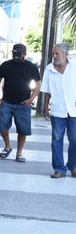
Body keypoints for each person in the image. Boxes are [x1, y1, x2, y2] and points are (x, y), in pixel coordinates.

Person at [0, 43, 41, 163]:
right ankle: (7, 146)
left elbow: (38, 84)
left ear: (25, 54)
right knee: (2, 126)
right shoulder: (6, 65)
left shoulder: (31, 67)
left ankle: (19, 153)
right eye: (14, 53)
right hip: (6, 102)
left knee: (22, 130)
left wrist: (31, 99)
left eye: (19, 53)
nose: (16, 55)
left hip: (23, 103)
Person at [40, 43, 76, 178]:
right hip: (57, 109)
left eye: (57, 53)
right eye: (53, 53)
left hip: (74, 109)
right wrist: (45, 107)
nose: (54, 56)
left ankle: (73, 166)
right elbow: (46, 90)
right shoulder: (49, 69)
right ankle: (59, 169)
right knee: (57, 139)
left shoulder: (74, 67)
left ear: (65, 54)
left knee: (75, 138)